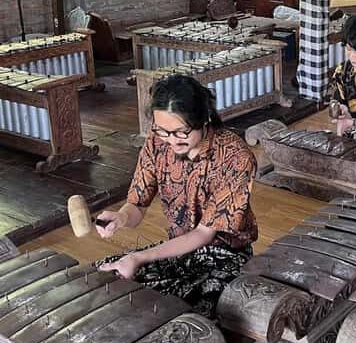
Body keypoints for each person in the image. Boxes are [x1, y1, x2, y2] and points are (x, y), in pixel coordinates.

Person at [95, 73, 258, 317]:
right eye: (163, 131)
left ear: (203, 120)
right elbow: (137, 205)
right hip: (178, 249)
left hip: (224, 255)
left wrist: (139, 257)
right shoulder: (157, 142)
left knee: (183, 307)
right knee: (106, 274)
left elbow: (204, 234)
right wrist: (121, 217)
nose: (171, 140)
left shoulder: (235, 156)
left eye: (181, 132)